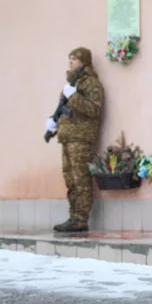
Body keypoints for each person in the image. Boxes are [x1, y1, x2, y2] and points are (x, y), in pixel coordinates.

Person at [45, 47, 104, 233]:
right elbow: (63, 109)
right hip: (67, 137)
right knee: (70, 179)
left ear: (84, 61)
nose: (70, 62)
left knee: (81, 179)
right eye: (69, 58)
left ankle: (81, 219)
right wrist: (53, 123)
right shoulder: (71, 84)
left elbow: (94, 109)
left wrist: (74, 96)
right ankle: (73, 216)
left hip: (81, 138)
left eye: (74, 59)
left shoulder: (92, 84)